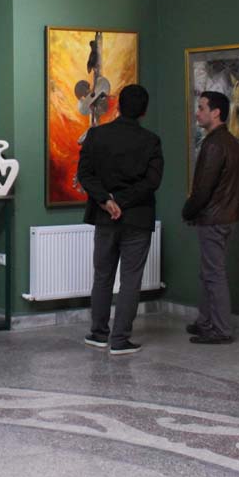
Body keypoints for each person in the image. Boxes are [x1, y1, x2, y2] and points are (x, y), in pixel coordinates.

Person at [77, 84, 163, 356]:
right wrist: (121, 201)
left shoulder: (96, 135)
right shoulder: (151, 141)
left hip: (105, 217)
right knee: (130, 280)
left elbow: (85, 174)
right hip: (137, 217)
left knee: (103, 276)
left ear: (116, 106)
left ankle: (98, 334)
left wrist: (107, 201)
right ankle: (120, 339)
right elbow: (152, 182)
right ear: (144, 111)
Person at [182, 91, 239, 345]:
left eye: (201, 108)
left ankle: (220, 329)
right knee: (209, 272)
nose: (197, 113)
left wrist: (188, 210)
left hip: (214, 218)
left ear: (216, 112)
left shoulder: (214, 144)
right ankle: (206, 321)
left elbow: (203, 188)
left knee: (214, 274)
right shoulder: (230, 141)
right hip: (226, 217)